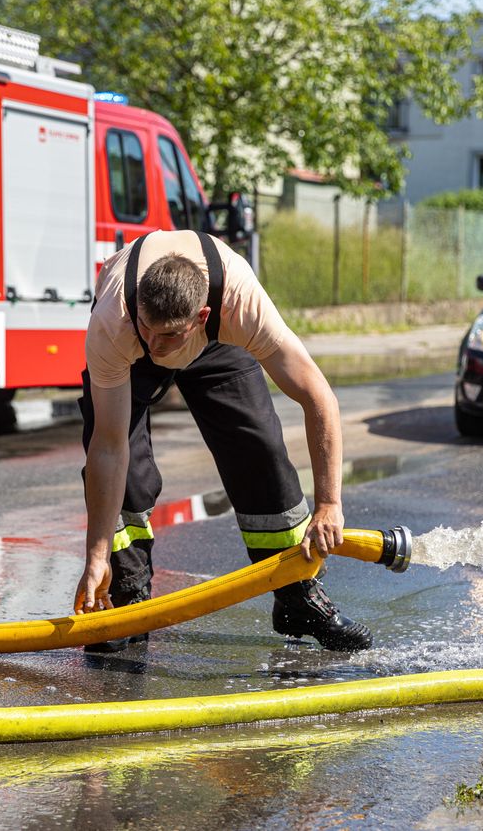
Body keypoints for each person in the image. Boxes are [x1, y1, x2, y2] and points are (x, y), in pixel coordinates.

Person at [73, 230, 372, 653]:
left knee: (260, 450)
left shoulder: (240, 304)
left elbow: (317, 396)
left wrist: (329, 504)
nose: (157, 347)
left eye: (169, 337)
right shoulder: (115, 323)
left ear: (201, 315)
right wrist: (95, 556)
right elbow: (109, 446)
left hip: (214, 344)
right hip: (128, 347)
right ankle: (126, 598)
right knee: (130, 474)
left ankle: (295, 595)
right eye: (150, 331)